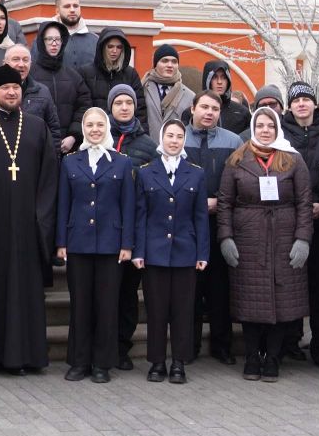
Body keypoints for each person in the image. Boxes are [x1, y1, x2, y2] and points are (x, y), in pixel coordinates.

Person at [0, 65, 58, 373]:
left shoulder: (37, 127)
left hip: (27, 227)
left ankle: (23, 356)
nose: (12, 92)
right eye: (5, 88)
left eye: (16, 87)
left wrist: (41, 219)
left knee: (23, 292)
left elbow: (49, 178)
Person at [218, 107, 313, 383]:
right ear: (253, 128)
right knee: (250, 301)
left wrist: (303, 238)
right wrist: (225, 237)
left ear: (277, 128)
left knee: (281, 301)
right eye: (260, 125)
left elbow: (304, 202)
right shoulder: (237, 159)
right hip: (249, 239)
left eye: (270, 125)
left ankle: (272, 357)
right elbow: (225, 202)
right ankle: (251, 356)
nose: (265, 130)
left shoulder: (293, 159)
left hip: (284, 236)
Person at [56, 107, 137, 383]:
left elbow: (128, 206)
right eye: (90, 125)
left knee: (107, 305)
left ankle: (102, 363)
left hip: (111, 245)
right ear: (83, 129)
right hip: (78, 243)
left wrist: (127, 243)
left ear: (107, 128)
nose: (94, 130)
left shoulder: (122, 162)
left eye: (100, 125)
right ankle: (79, 362)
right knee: (80, 305)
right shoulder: (70, 162)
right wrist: (61, 241)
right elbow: (63, 204)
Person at [132, 119, 211, 383]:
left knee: (183, 312)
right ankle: (157, 362)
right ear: (161, 139)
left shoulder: (196, 173)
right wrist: (138, 251)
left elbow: (201, 217)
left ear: (184, 141)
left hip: (185, 253)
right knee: (156, 311)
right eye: (170, 136)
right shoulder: (146, 172)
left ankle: (179, 362)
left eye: (179, 136)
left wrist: (202, 253)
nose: (174, 141)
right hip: (154, 253)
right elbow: (140, 215)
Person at [183, 92, 243, 365]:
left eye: (215, 109)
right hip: (187, 224)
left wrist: (220, 200)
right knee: (191, 289)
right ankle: (189, 345)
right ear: (193, 108)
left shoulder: (233, 142)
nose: (209, 112)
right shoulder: (178, 138)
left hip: (221, 221)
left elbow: (240, 181)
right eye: (204, 107)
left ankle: (222, 346)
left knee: (220, 288)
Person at [281, 81, 319, 371]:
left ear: (314, 104)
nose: (302, 104)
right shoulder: (280, 138)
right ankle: (288, 342)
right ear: (289, 106)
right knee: (289, 285)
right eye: (296, 100)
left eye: (306, 99)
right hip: (287, 225)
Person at [33, 22, 94, 155]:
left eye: (58, 39)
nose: (54, 43)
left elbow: (84, 107)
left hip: (69, 148)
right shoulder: (30, 75)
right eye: (49, 39)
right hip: (37, 147)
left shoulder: (73, 76)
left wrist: (74, 136)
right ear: (42, 42)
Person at [141, 45, 194, 131]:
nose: (170, 65)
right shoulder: (143, 89)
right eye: (164, 61)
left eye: (174, 62)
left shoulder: (189, 96)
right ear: (155, 64)